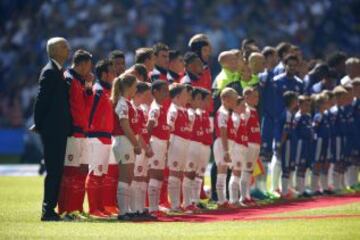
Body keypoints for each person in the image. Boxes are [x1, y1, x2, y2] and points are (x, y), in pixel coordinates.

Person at [33, 37, 71, 221]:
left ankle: (50, 209)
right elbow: (41, 100)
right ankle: (47, 210)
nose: (68, 48)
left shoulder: (58, 71)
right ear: (54, 50)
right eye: (64, 46)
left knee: (57, 170)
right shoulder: (50, 72)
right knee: (54, 171)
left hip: (59, 129)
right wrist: (38, 124)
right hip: (53, 129)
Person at [59, 49, 93, 219]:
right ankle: (66, 210)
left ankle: (77, 209)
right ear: (82, 64)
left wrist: (88, 86)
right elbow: (63, 105)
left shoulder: (80, 81)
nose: (90, 69)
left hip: (83, 131)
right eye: (89, 65)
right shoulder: (68, 78)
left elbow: (87, 105)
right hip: (73, 131)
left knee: (81, 171)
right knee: (70, 173)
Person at [85, 59, 116, 218]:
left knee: (102, 175)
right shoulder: (97, 90)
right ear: (104, 74)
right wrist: (87, 131)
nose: (115, 75)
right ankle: (93, 209)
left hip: (106, 136)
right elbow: (88, 111)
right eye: (112, 72)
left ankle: (100, 207)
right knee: (95, 173)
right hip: (96, 136)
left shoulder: (107, 91)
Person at [270, 54, 304, 194]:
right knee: (277, 155)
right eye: (289, 64)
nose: (292, 67)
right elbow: (273, 103)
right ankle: (274, 188)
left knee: (290, 158)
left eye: (294, 65)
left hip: (293, 123)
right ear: (284, 65)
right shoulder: (276, 81)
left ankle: (287, 187)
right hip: (279, 121)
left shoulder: (299, 83)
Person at [111, 73, 141, 220]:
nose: (136, 89)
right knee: (125, 177)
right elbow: (124, 125)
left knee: (129, 177)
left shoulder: (128, 103)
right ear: (128, 87)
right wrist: (136, 144)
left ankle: (128, 210)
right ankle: (122, 212)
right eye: (135, 86)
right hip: (123, 141)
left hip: (127, 142)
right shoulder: (122, 103)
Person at [166, 84, 192, 212]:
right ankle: (174, 205)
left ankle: (179, 203)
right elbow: (169, 128)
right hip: (176, 142)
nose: (188, 96)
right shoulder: (173, 110)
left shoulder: (184, 110)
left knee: (179, 174)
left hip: (184, 144)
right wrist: (168, 146)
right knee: (174, 174)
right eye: (185, 94)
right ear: (177, 97)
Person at [131, 82, 155, 219]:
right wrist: (146, 147)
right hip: (139, 147)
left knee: (142, 178)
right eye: (148, 94)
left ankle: (140, 208)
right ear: (139, 94)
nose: (150, 96)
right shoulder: (134, 108)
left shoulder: (142, 109)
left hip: (145, 146)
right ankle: (134, 209)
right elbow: (138, 132)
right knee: (136, 177)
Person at [147, 80, 170, 216]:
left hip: (161, 144)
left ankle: (155, 207)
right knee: (155, 175)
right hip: (155, 143)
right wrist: (148, 145)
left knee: (159, 176)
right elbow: (149, 127)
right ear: (155, 92)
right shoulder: (155, 108)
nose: (166, 93)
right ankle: (152, 209)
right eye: (163, 91)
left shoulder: (161, 107)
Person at [213, 87, 238, 208]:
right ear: (225, 99)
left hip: (227, 143)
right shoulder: (222, 112)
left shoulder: (227, 112)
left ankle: (223, 200)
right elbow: (223, 131)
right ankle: (221, 201)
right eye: (233, 100)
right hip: (222, 144)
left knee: (224, 172)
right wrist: (226, 150)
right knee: (221, 172)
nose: (235, 102)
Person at [242, 87, 261, 203]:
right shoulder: (246, 110)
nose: (257, 99)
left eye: (257, 96)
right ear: (246, 97)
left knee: (249, 171)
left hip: (255, 143)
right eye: (254, 96)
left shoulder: (254, 110)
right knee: (245, 169)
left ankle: (247, 195)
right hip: (248, 144)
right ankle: (243, 196)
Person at [279, 91, 298, 198]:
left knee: (290, 166)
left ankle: (288, 189)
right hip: (287, 143)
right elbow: (285, 131)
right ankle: (284, 192)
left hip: (291, 142)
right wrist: (281, 144)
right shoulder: (287, 114)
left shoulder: (290, 113)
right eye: (296, 99)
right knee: (286, 167)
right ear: (292, 101)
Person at [311, 94, 332, 195]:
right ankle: (314, 188)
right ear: (320, 104)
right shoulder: (318, 116)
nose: (328, 104)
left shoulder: (326, 115)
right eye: (325, 102)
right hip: (320, 141)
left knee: (325, 164)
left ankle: (324, 187)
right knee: (317, 163)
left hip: (326, 141)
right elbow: (314, 129)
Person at [230, 96, 248, 206]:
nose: (244, 107)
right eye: (242, 105)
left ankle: (236, 199)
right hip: (236, 147)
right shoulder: (235, 118)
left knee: (238, 173)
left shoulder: (240, 117)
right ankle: (233, 200)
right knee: (236, 173)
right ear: (236, 106)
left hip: (241, 147)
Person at [294, 95, 313, 197]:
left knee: (306, 166)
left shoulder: (308, 116)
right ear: (299, 105)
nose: (308, 108)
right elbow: (294, 131)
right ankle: (298, 189)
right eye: (305, 105)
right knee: (299, 166)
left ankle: (304, 187)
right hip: (301, 144)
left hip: (308, 144)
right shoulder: (298, 117)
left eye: (309, 105)